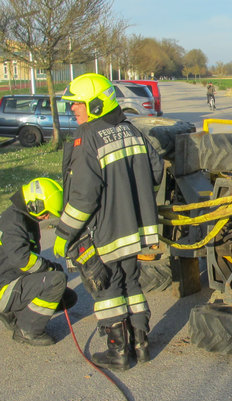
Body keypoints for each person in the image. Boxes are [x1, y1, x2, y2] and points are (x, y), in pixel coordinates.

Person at [54, 73, 163, 370]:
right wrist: (136, 198)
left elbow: (83, 197)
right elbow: (155, 172)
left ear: (97, 104)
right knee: (131, 282)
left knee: (108, 290)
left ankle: (118, 352)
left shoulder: (88, 137)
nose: (73, 110)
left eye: (77, 104)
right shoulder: (132, 130)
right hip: (137, 230)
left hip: (109, 232)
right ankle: (141, 345)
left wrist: (64, 233)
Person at [0, 178, 71, 346]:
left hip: (9, 280)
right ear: (34, 204)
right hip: (5, 286)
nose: (47, 217)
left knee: (66, 297)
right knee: (56, 281)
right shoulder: (14, 223)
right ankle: (27, 331)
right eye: (46, 212)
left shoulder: (20, 216)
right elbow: (23, 259)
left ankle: (12, 314)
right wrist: (49, 267)